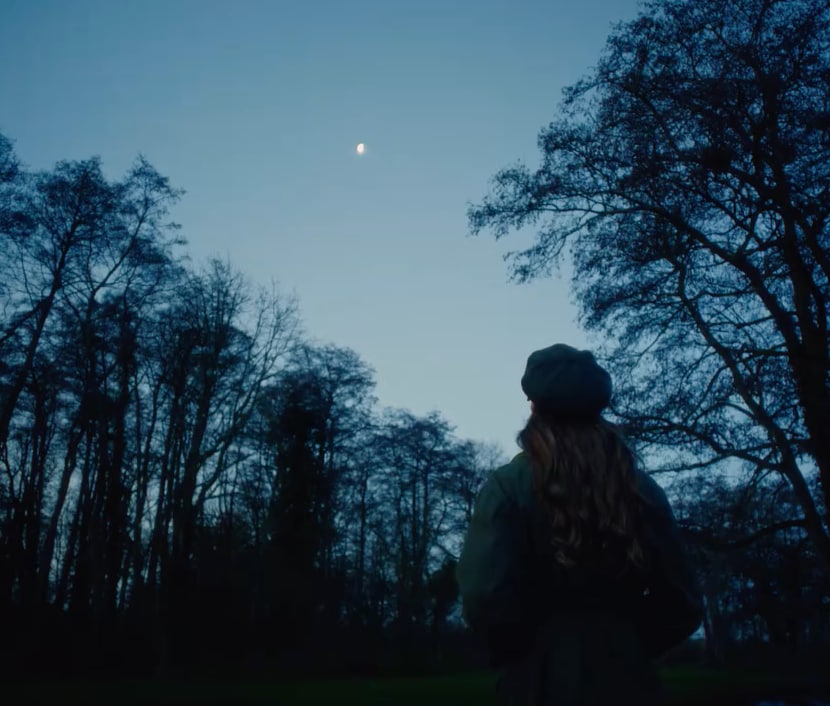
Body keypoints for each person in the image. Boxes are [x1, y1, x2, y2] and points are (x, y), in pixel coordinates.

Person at [456, 343, 703, 706]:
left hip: (536, 686)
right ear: (598, 409)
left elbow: (483, 597)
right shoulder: (643, 491)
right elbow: (683, 603)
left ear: (533, 407)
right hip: (631, 685)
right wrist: (626, 646)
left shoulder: (507, 487)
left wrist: (524, 652)